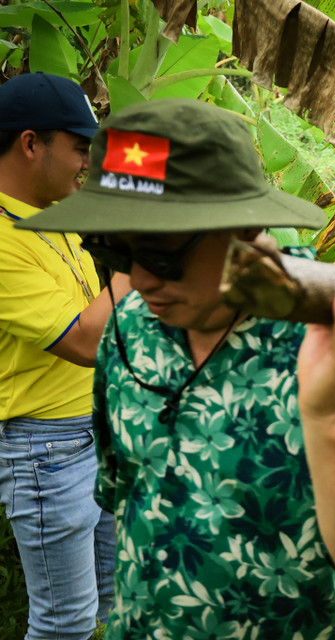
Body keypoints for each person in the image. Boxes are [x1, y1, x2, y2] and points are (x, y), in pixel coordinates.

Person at [17, 97, 335, 640]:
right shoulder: (130, 332)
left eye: (162, 253)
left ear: (244, 226)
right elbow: (128, 502)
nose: (140, 280)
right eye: (116, 252)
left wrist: (329, 417)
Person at [0, 72, 130, 640]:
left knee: (113, 605)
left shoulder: (54, 215)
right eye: (80, 147)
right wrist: (143, 253)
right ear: (31, 144)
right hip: (46, 452)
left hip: (95, 430)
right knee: (65, 624)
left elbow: (146, 163)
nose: (88, 162)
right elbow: (84, 340)